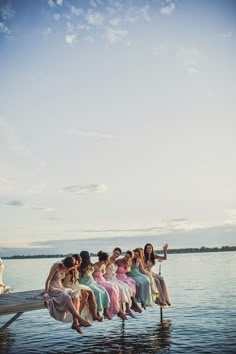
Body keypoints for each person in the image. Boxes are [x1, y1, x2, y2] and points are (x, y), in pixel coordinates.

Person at [44, 256, 91, 334]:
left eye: (69, 268)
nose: (67, 269)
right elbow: (48, 280)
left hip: (60, 287)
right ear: (64, 263)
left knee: (75, 295)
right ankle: (80, 319)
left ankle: (75, 322)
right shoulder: (56, 266)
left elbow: (77, 265)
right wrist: (46, 293)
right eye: (66, 267)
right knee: (67, 297)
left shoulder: (69, 266)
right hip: (52, 288)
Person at [62, 254, 103, 322]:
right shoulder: (69, 269)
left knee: (90, 293)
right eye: (79, 261)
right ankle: (78, 317)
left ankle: (94, 315)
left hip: (75, 285)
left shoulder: (76, 268)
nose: (81, 262)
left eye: (81, 260)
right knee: (85, 294)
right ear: (75, 261)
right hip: (69, 286)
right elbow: (63, 279)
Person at [93, 251, 128, 320]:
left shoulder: (103, 265)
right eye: (107, 260)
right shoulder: (95, 266)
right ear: (103, 260)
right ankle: (107, 311)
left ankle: (116, 309)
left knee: (115, 287)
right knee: (110, 289)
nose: (108, 261)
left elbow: (103, 274)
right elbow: (91, 276)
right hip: (97, 281)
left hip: (103, 280)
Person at [79, 250, 111, 320]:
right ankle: (97, 311)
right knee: (97, 292)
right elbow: (82, 276)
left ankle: (105, 310)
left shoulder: (90, 264)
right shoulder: (80, 266)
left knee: (103, 290)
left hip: (92, 282)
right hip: (85, 283)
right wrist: (85, 271)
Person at [105, 247, 135, 318]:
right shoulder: (108, 260)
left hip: (114, 278)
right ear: (113, 252)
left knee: (126, 287)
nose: (116, 255)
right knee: (119, 289)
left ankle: (127, 308)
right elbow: (103, 269)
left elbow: (124, 266)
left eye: (118, 254)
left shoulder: (116, 261)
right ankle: (120, 310)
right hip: (108, 278)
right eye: (115, 253)